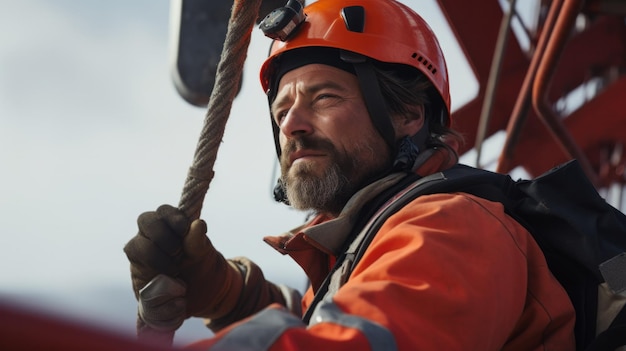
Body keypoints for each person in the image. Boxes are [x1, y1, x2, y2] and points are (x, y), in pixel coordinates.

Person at [124, 0, 576, 349]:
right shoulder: (360, 247)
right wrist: (226, 294)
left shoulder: (453, 230)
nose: (292, 124)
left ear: (409, 115)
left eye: (323, 99)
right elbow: (323, 320)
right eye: (282, 110)